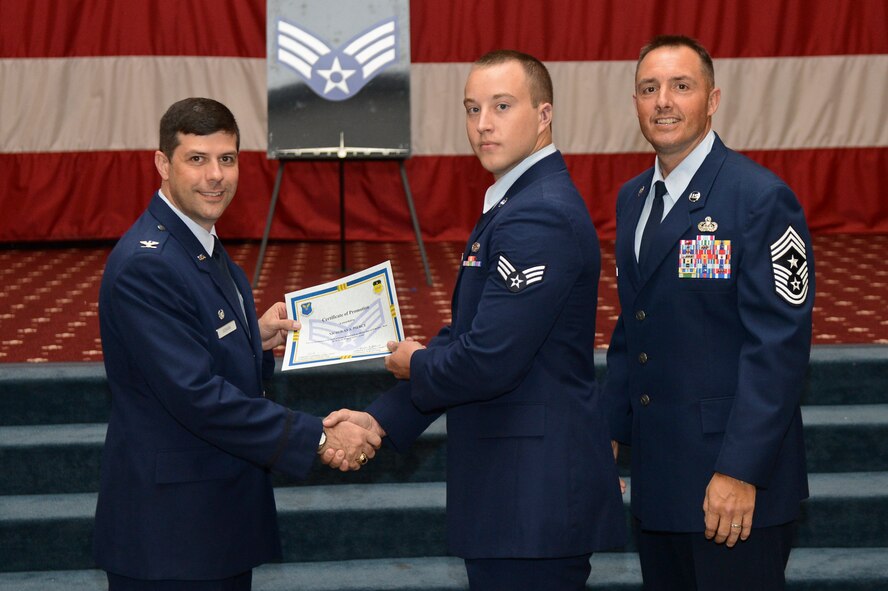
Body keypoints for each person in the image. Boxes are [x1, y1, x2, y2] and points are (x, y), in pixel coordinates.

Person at [323, 50, 626, 590]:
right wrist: (382, 420)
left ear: (544, 114)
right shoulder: (517, 202)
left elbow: (487, 361)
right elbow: (468, 336)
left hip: (532, 501)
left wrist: (415, 362)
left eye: (502, 106)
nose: (483, 124)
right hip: (514, 496)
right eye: (471, 108)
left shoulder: (541, 212)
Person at [94, 97, 381, 590]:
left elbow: (198, 346)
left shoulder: (199, 241)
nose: (216, 176)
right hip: (170, 537)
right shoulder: (150, 263)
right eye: (197, 159)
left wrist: (253, 338)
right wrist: (318, 436)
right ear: (163, 164)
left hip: (209, 521)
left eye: (227, 159)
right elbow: (198, 396)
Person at [604, 35, 815, 590]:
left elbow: (778, 349)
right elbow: (634, 327)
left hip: (734, 487)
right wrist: (608, 431)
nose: (663, 102)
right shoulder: (633, 200)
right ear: (635, 103)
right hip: (659, 485)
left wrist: (740, 470)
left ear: (713, 99)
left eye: (681, 86)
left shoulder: (760, 199)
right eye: (649, 89)